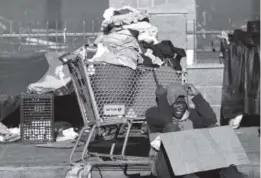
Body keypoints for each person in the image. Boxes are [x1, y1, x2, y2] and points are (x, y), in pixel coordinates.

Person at [145, 82, 246, 178]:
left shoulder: (192, 116)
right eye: (175, 103)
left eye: (182, 103)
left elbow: (211, 119)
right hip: (165, 167)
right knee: (171, 128)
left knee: (214, 128)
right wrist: (163, 99)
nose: (180, 106)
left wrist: (197, 95)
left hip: (192, 166)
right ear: (168, 104)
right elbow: (166, 121)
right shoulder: (154, 114)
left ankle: (231, 173)